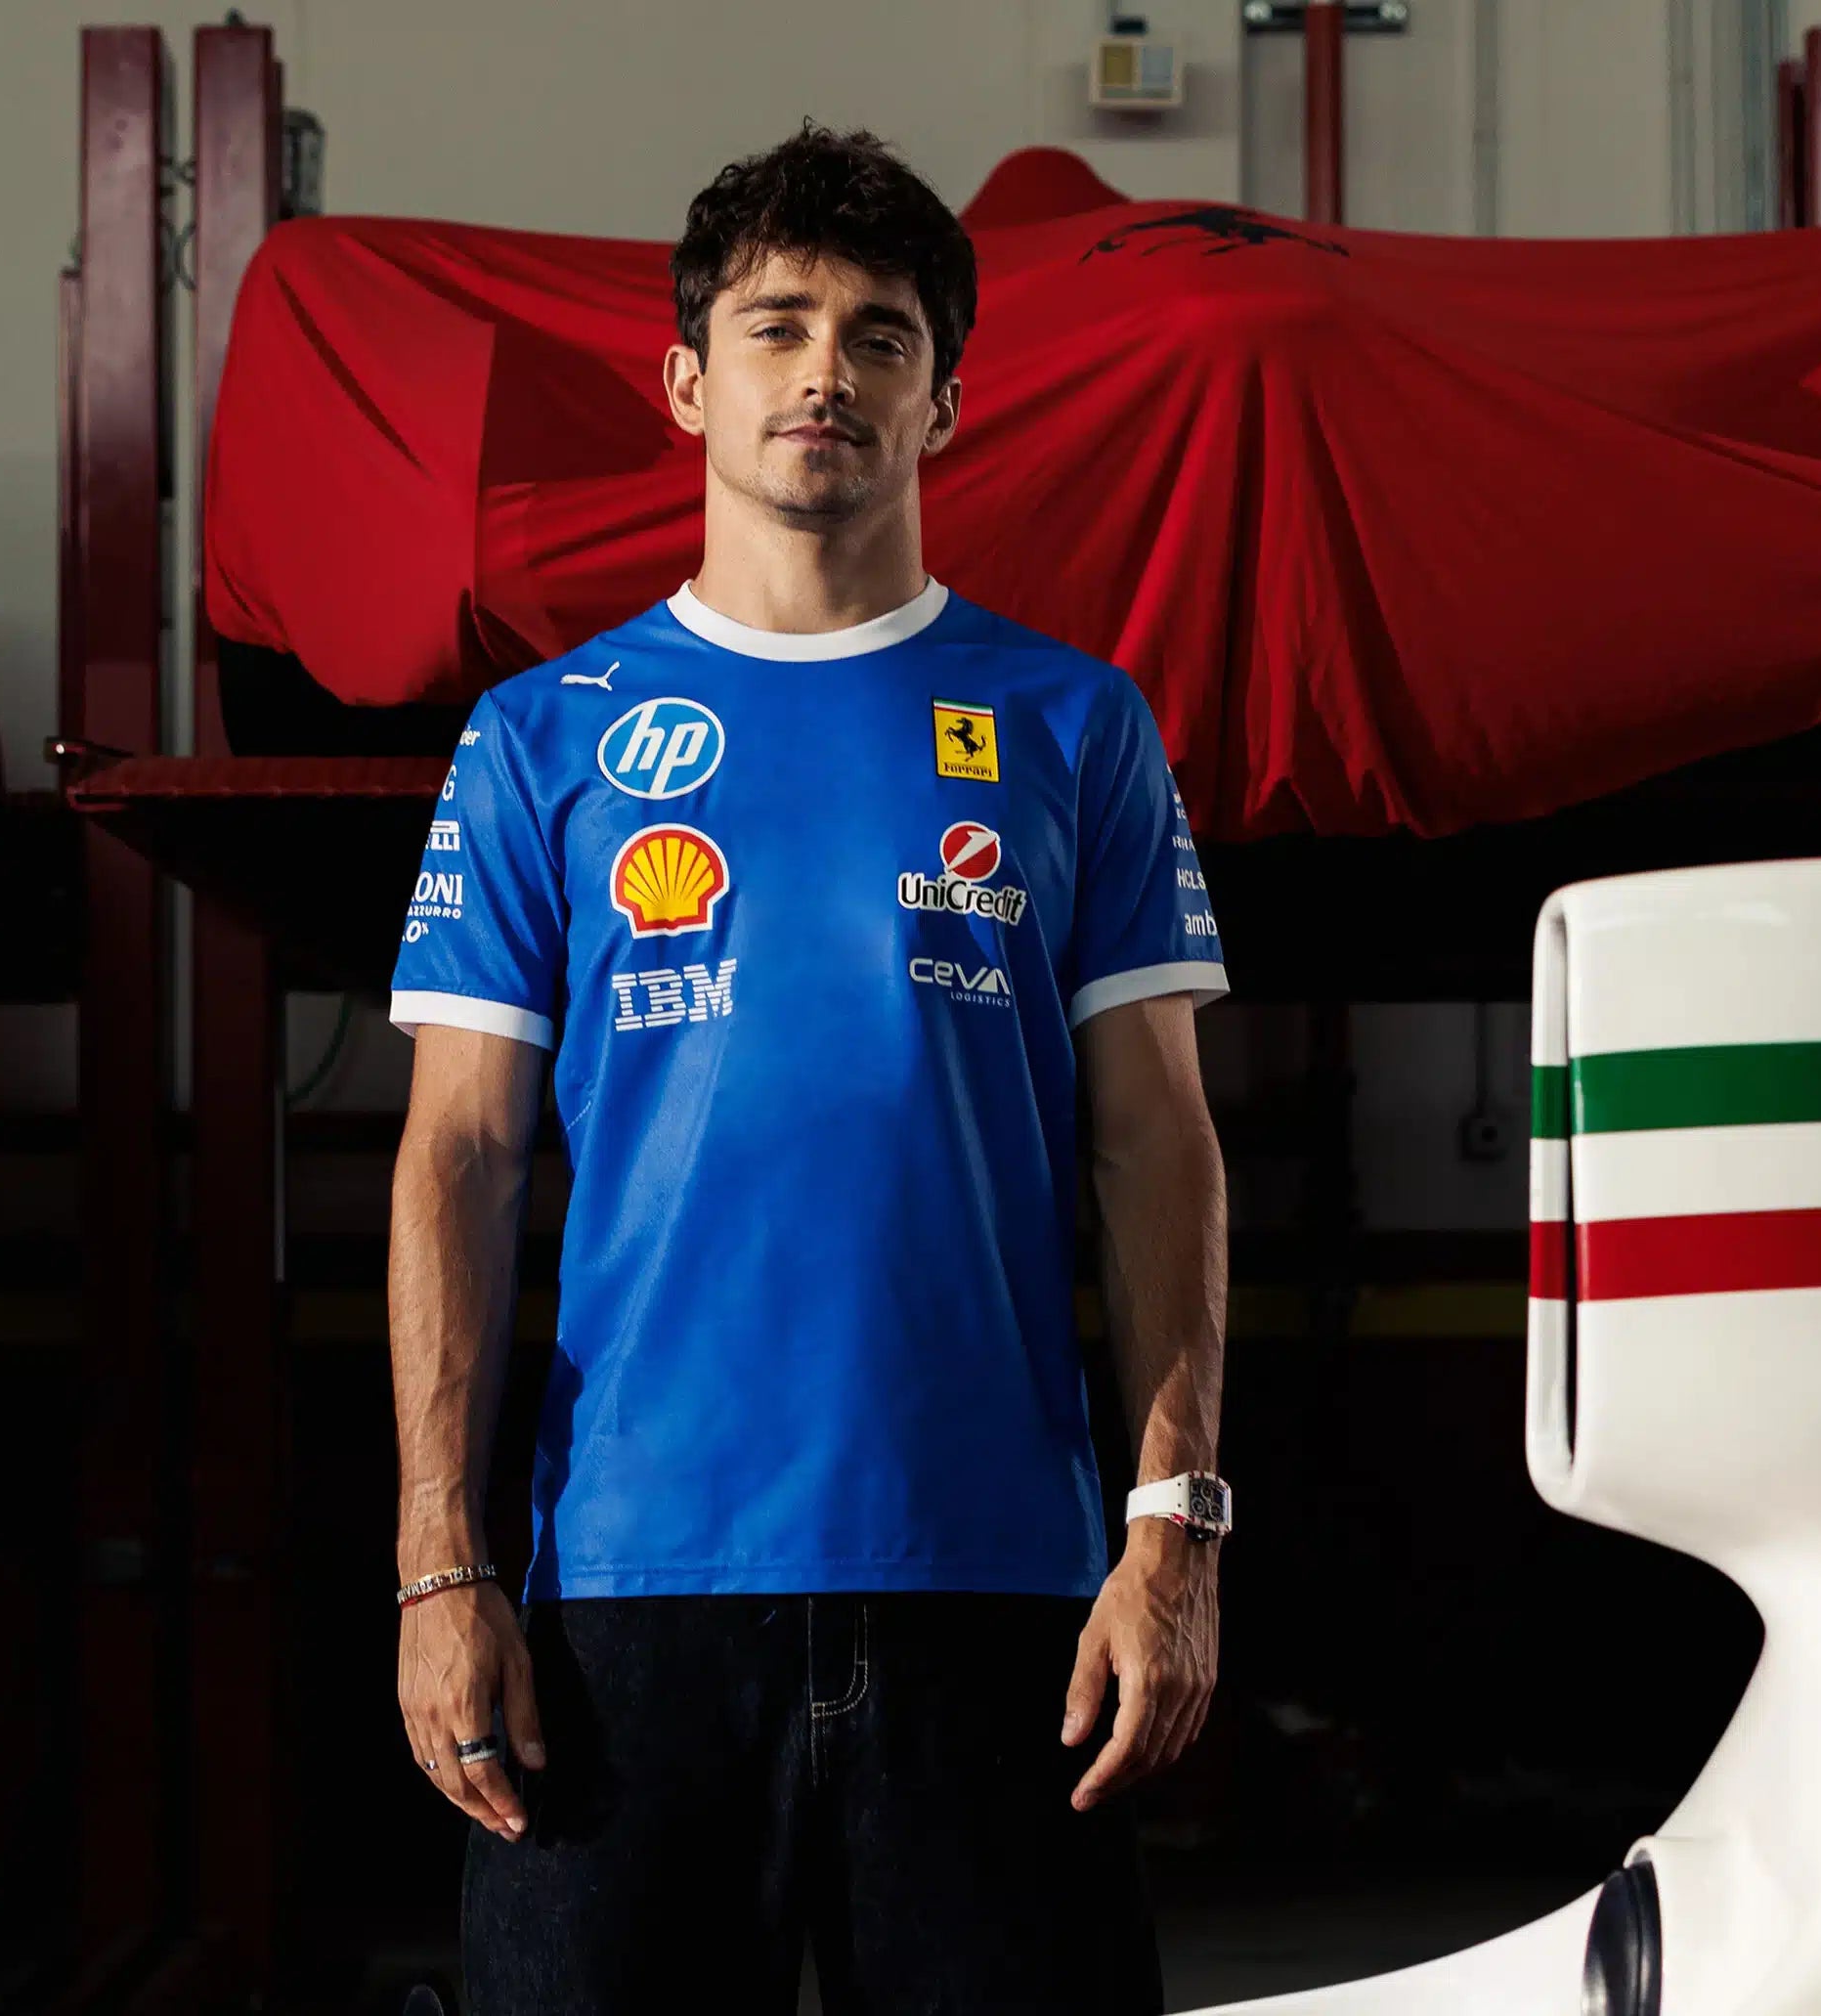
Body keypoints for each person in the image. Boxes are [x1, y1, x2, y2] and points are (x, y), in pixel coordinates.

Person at [386, 119, 1232, 2015]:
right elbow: (457, 1158)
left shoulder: (1070, 724)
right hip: (626, 1599)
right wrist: (440, 1564)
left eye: (877, 334)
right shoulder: (543, 738)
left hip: (997, 1590)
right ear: (688, 382)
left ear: (945, 400)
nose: (825, 370)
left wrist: (1171, 1527)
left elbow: (1156, 1143)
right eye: (774, 326)